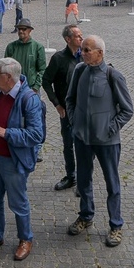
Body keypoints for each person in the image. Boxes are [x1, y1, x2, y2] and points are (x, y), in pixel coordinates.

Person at [65, 35, 134, 248]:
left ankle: (116, 225)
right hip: (82, 139)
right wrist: (75, 121)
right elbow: (70, 99)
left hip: (107, 142)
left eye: (87, 50)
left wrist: (109, 129)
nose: (82, 52)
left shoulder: (114, 75)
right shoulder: (79, 71)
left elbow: (127, 110)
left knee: (112, 183)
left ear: (100, 53)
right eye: (82, 49)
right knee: (84, 180)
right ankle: (86, 216)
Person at [0, 58, 44, 261]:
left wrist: (7, 133)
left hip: (13, 161)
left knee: (18, 202)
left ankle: (26, 239)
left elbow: (35, 135)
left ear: (8, 77)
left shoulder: (29, 99)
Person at [42, 25, 83, 191]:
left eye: (81, 35)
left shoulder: (85, 56)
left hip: (85, 110)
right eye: (78, 36)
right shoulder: (58, 58)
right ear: (68, 39)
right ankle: (71, 175)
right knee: (68, 144)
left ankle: (83, 178)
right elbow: (46, 81)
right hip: (67, 110)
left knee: (86, 145)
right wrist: (56, 103)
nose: (81, 38)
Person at [4, 18, 46, 93]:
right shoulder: (11, 47)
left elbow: (42, 69)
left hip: (31, 88)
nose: (20, 31)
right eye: (19, 29)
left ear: (30, 30)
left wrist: (36, 87)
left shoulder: (38, 47)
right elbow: (5, 68)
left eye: (24, 29)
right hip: (14, 89)